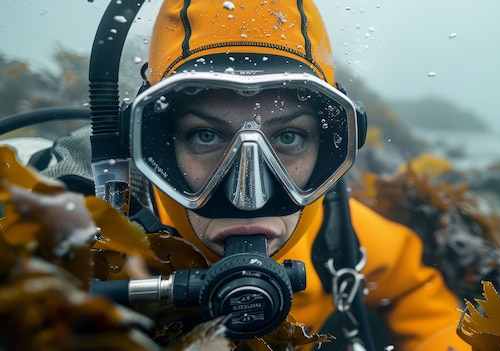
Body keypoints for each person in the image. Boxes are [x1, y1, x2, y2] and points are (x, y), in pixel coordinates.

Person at [36, 0, 472, 350]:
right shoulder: (88, 232)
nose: (249, 194)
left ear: (329, 147)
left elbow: (418, 296)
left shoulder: (343, 235)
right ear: (154, 143)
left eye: (289, 138)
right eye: (205, 135)